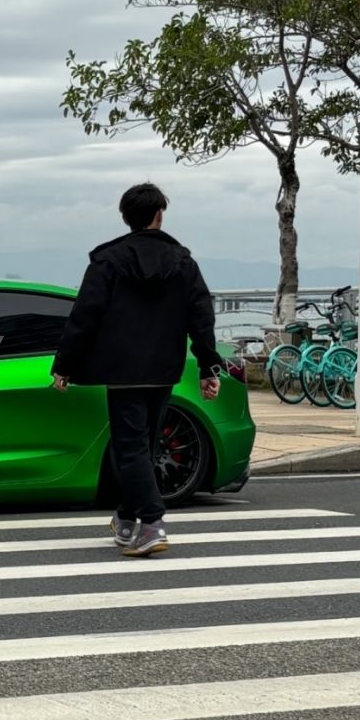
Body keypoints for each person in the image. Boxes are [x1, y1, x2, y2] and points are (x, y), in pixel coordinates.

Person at [50, 183, 223, 557]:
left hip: (122, 371)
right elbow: (201, 318)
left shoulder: (107, 262)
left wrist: (64, 364)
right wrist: (209, 367)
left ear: (126, 218)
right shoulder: (183, 263)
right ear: (159, 215)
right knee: (142, 448)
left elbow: (84, 317)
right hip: (164, 369)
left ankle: (152, 523)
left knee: (130, 449)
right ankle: (127, 519)